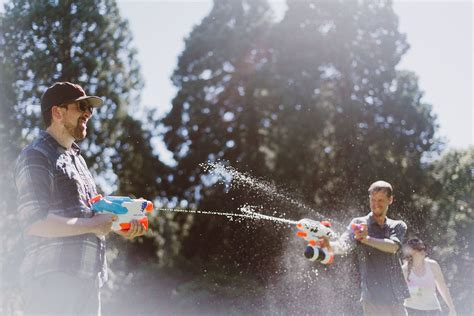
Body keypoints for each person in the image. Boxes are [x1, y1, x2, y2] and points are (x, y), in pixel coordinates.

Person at [14, 82, 146, 315]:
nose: (88, 113)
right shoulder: (36, 155)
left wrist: (118, 224)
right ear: (57, 112)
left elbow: (88, 214)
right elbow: (35, 223)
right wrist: (95, 224)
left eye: (90, 108)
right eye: (81, 106)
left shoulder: (78, 161)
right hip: (52, 283)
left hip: (89, 283)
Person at [321, 180, 410, 316]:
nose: (376, 204)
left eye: (380, 200)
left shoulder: (397, 225)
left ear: (390, 200)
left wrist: (367, 239)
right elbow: (343, 246)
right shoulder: (358, 223)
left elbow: (393, 247)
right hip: (373, 297)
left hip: (396, 296)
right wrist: (328, 245)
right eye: (373, 200)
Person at [402, 238, 457, 316]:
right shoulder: (404, 270)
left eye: (424, 248)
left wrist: (451, 308)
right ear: (411, 252)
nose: (423, 251)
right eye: (419, 249)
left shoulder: (433, 265)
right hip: (411, 310)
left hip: (433, 310)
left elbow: (442, 287)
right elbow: (400, 294)